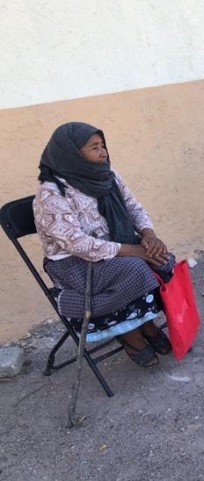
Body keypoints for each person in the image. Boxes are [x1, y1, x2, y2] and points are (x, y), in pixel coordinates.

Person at [33, 123, 174, 368]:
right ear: (71, 154)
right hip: (74, 262)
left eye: (103, 145)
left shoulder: (108, 175)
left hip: (115, 247)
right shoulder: (52, 194)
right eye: (94, 148)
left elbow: (133, 208)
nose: (103, 153)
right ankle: (130, 334)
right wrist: (135, 251)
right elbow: (76, 243)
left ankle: (145, 323)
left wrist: (149, 235)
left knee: (163, 258)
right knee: (134, 268)